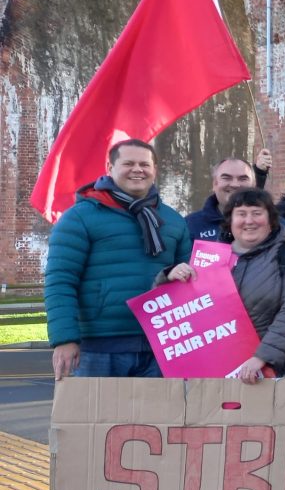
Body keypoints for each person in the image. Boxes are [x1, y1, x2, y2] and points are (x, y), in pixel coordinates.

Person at [45, 139, 193, 379]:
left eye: (144, 164)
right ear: (109, 167)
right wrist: (65, 339)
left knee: (158, 407)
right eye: (128, 163)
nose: (137, 170)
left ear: (155, 169)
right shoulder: (79, 217)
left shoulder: (174, 220)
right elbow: (60, 281)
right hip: (100, 347)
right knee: (97, 407)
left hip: (162, 344)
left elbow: (189, 282)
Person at [161, 188, 285, 380]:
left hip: (268, 373)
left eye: (257, 213)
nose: (249, 221)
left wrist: (262, 357)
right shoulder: (208, 257)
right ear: (230, 220)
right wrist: (168, 278)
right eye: (241, 214)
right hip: (212, 370)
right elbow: (177, 314)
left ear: (271, 220)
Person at [185, 149, 273, 240]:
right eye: (226, 178)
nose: (235, 185)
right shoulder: (190, 225)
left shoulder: (272, 224)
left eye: (243, 179)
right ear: (214, 184)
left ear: (254, 185)